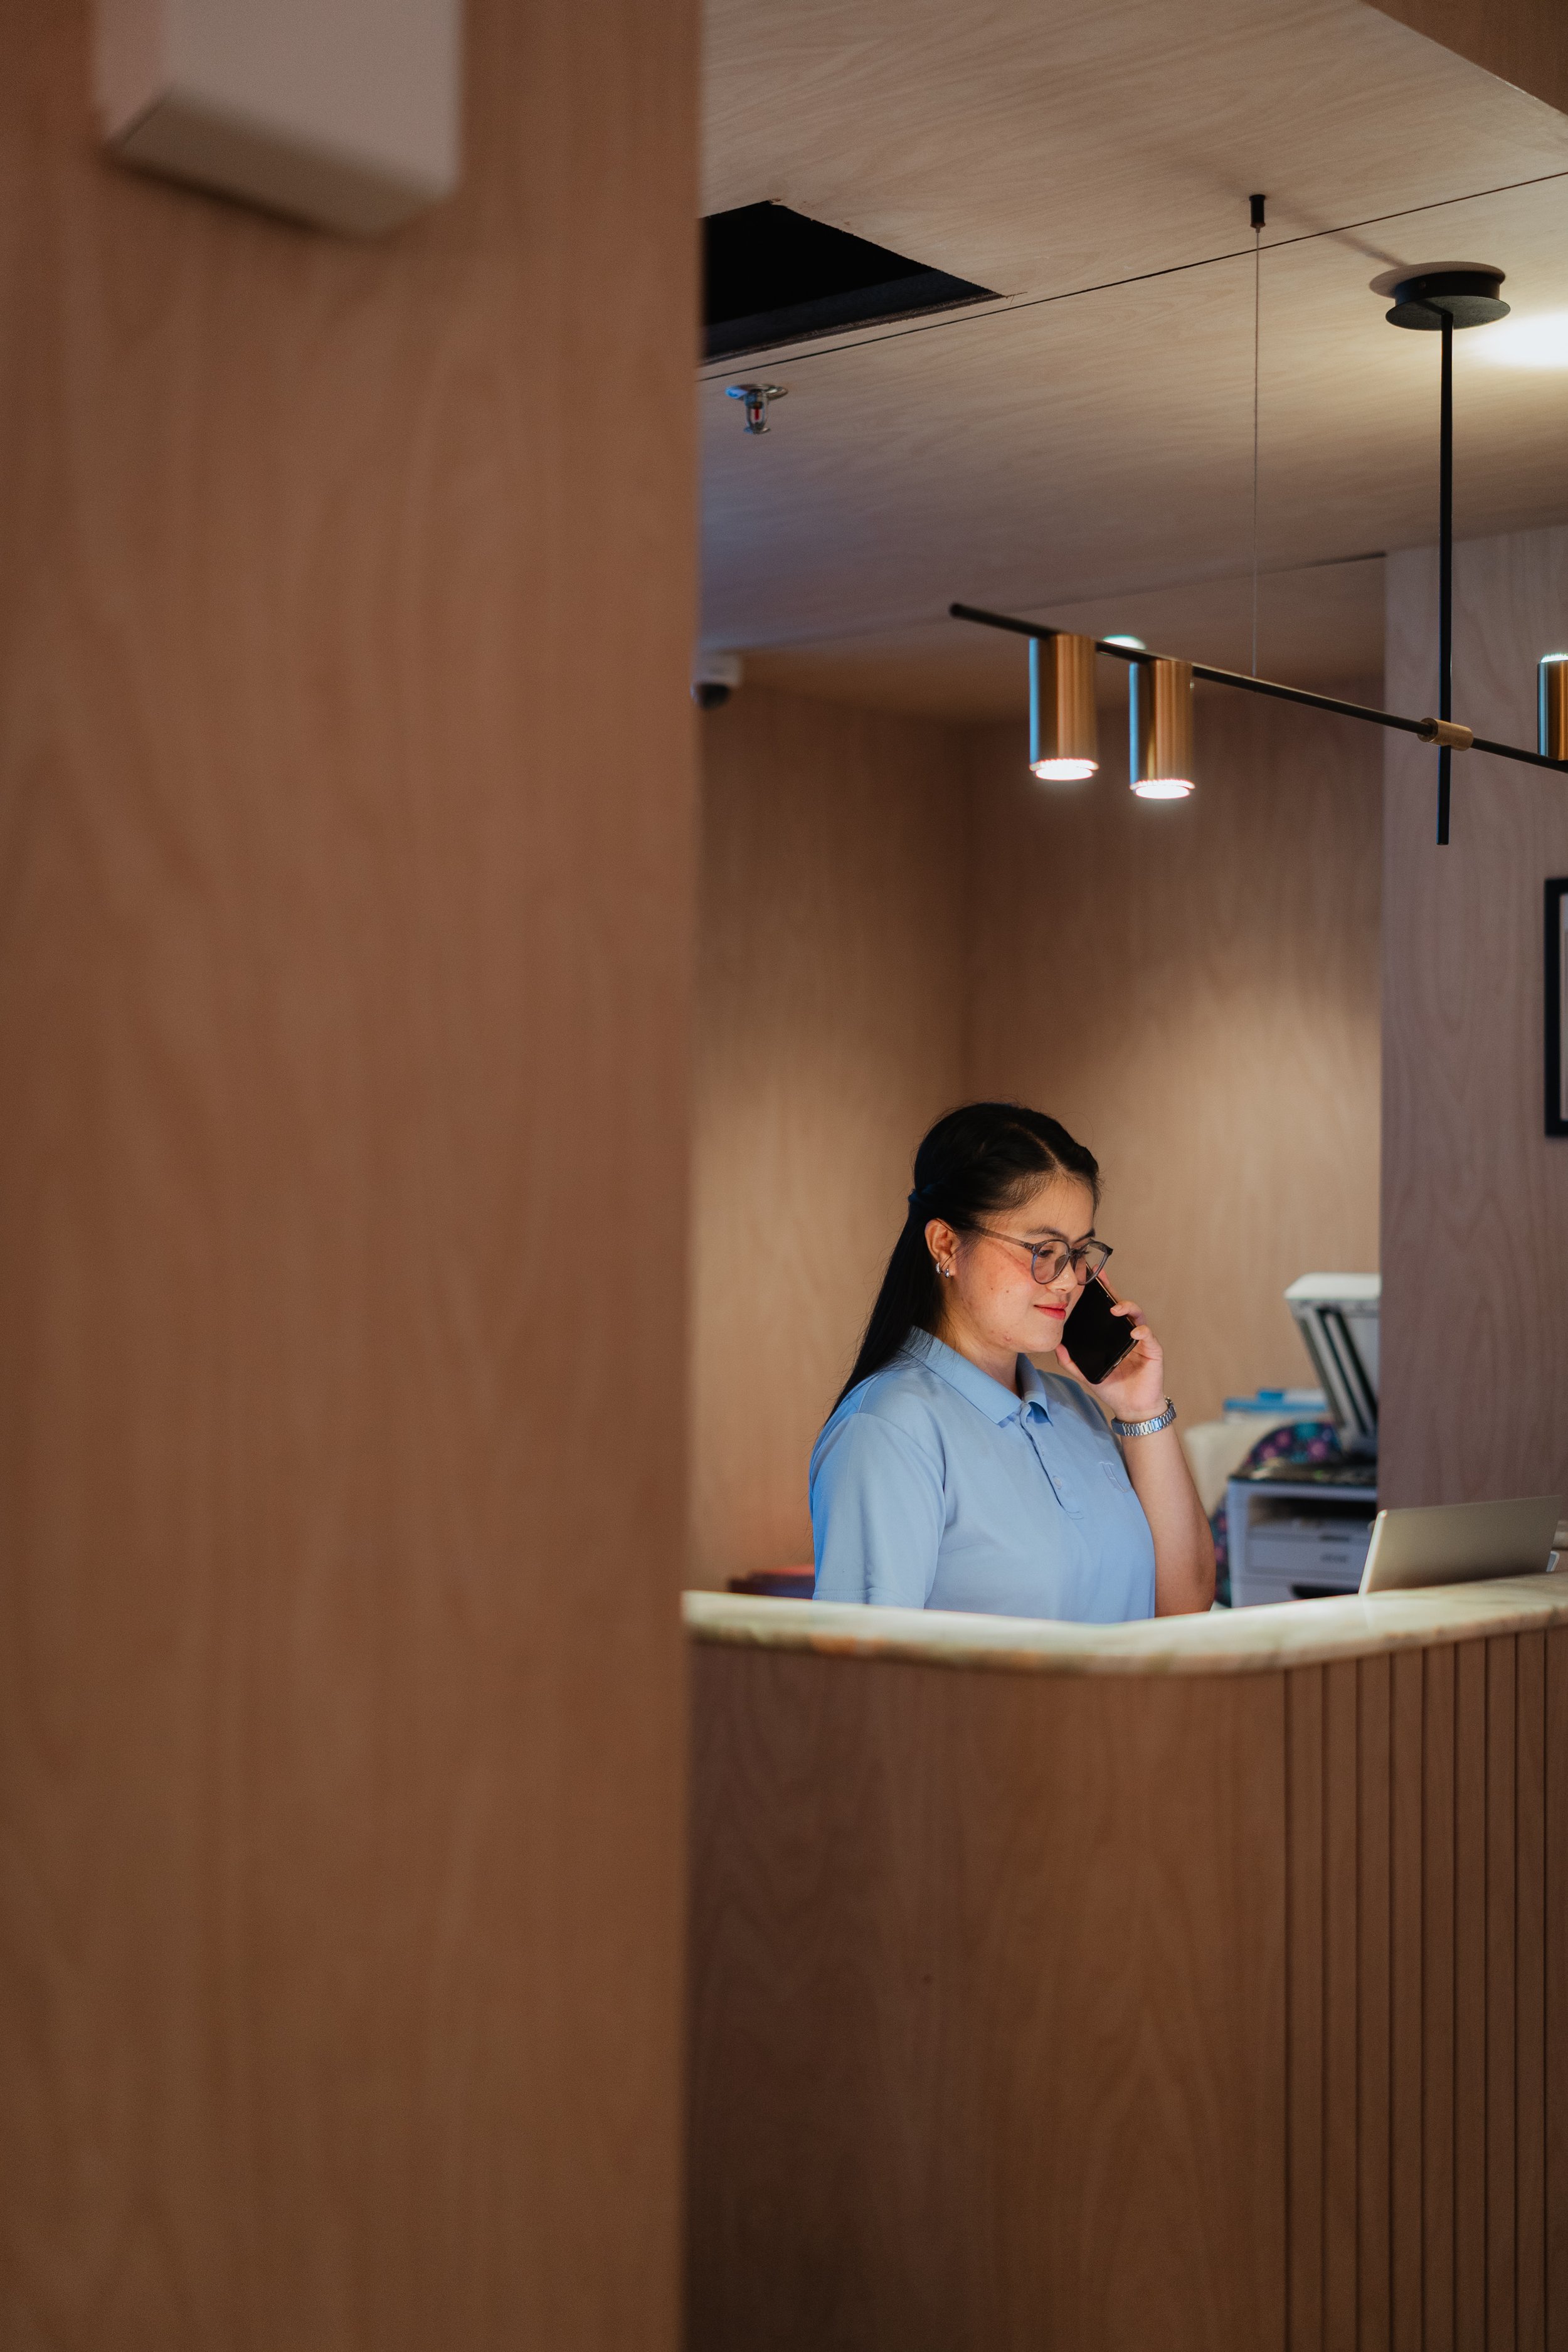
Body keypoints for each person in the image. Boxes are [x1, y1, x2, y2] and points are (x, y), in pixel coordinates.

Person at [810, 1102, 1214, 1619]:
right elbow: (867, 1670)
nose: (1069, 1280)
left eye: (1080, 1253)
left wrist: (1143, 1410)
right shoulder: (888, 1429)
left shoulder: (1074, 1408)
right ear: (947, 1245)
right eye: (1044, 1250)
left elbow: (1184, 1605)